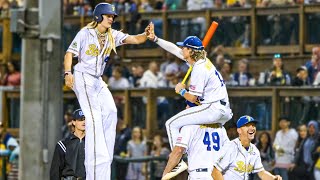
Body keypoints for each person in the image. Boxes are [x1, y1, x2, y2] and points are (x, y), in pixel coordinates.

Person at [63, 3, 149, 179]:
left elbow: (135, 39)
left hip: (97, 79)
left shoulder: (112, 35)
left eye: (112, 16)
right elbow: (69, 54)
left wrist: (146, 35)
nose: (111, 18)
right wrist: (67, 72)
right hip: (83, 76)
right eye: (108, 15)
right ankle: (93, 169)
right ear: (98, 16)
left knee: (111, 111)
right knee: (93, 119)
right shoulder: (85, 33)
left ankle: (105, 161)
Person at [146, 22, 233, 173]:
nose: (181, 49)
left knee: (171, 123)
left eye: (184, 47)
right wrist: (155, 39)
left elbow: (192, 99)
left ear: (191, 51)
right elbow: (174, 49)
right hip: (220, 109)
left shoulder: (199, 68)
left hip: (213, 108)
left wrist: (181, 91)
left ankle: (178, 161)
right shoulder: (202, 63)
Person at [212, 115, 282, 180]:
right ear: (239, 130)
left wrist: (273, 178)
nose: (251, 128)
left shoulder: (254, 149)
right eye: (247, 126)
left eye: (253, 125)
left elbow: (261, 173)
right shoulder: (230, 147)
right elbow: (215, 172)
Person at [162, 123, 229, 180]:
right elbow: (228, 151)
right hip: (217, 175)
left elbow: (179, 151)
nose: (186, 107)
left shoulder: (189, 126)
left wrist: (165, 175)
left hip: (198, 175)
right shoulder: (220, 127)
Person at [50, 109, 86, 180]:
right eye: (80, 119)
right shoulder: (63, 145)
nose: (84, 122)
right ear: (74, 122)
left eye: (85, 119)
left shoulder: (93, 145)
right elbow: (55, 172)